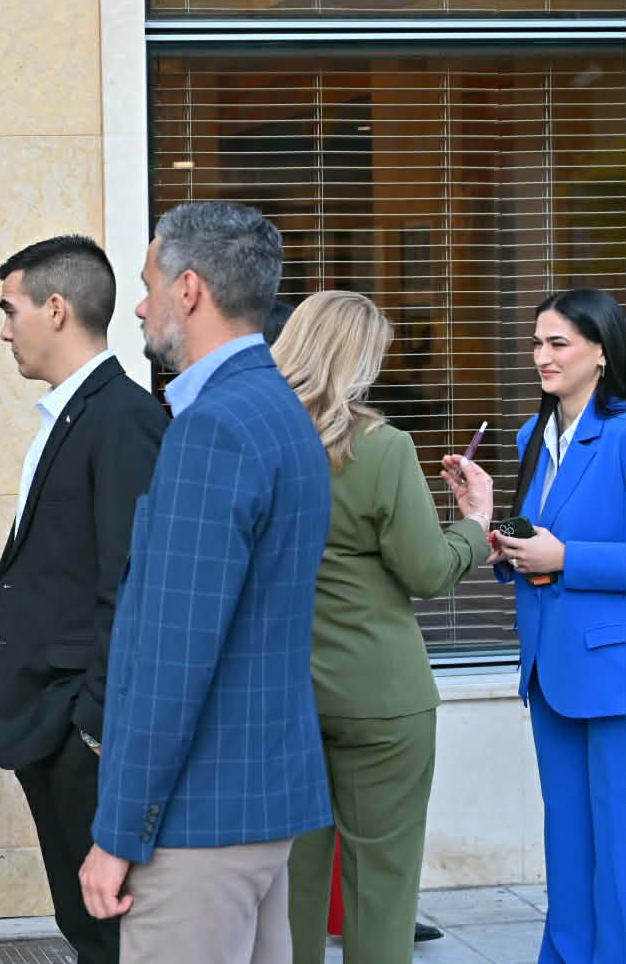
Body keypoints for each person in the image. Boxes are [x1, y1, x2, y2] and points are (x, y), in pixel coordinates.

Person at [79, 200, 333, 964]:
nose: (140, 305)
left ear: (189, 290)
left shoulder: (214, 427)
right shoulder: (278, 409)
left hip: (196, 824)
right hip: (260, 807)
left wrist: (116, 834)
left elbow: (172, 655)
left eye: (149, 284)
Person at [271, 291, 494, 964]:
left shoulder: (253, 441)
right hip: (380, 695)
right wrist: (475, 524)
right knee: (382, 887)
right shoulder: (383, 448)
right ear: (359, 361)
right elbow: (428, 570)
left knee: (291, 888)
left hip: (283, 691)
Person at [0, 235, 166, 961]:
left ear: (55, 309)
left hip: (79, 732)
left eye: (9, 309)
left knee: (109, 934)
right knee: (84, 928)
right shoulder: (71, 413)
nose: (4, 330)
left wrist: (93, 728)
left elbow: (132, 587)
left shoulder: (123, 420)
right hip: (48, 722)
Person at [492, 287, 626, 964]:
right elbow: (535, 549)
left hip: (613, 674)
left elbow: (565, 551)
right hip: (549, 668)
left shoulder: (624, 434)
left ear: (600, 352)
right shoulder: (531, 436)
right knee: (567, 843)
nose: (541, 356)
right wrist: (505, 545)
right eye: (536, 343)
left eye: (558, 343)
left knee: (619, 847)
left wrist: (567, 558)